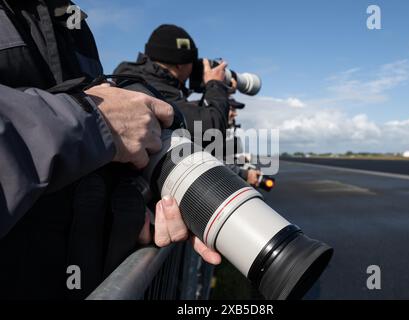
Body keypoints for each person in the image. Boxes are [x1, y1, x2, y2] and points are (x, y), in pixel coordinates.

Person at [0, 0, 219, 299]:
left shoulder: (71, 22)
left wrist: (147, 191)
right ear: (182, 64)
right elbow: (90, 125)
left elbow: (86, 160)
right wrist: (94, 121)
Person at [114, 24, 260, 185]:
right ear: (180, 64)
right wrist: (215, 85)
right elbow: (211, 132)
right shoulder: (154, 93)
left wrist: (213, 89)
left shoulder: (138, 81)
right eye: (192, 62)